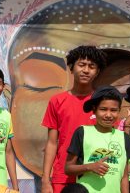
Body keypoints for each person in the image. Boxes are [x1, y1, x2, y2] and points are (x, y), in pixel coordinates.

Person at [42, 45, 108, 193]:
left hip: (96, 175)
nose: (86, 70)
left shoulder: (104, 103)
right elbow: (52, 143)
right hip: (63, 177)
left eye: (91, 66)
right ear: (71, 68)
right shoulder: (56, 101)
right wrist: (45, 179)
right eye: (81, 65)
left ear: (97, 72)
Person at [64, 86, 130, 193]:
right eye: (103, 109)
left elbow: (124, 176)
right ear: (94, 110)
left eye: (113, 110)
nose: (108, 115)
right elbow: (68, 169)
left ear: (119, 111)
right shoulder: (82, 132)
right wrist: (90, 167)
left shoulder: (124, 138)